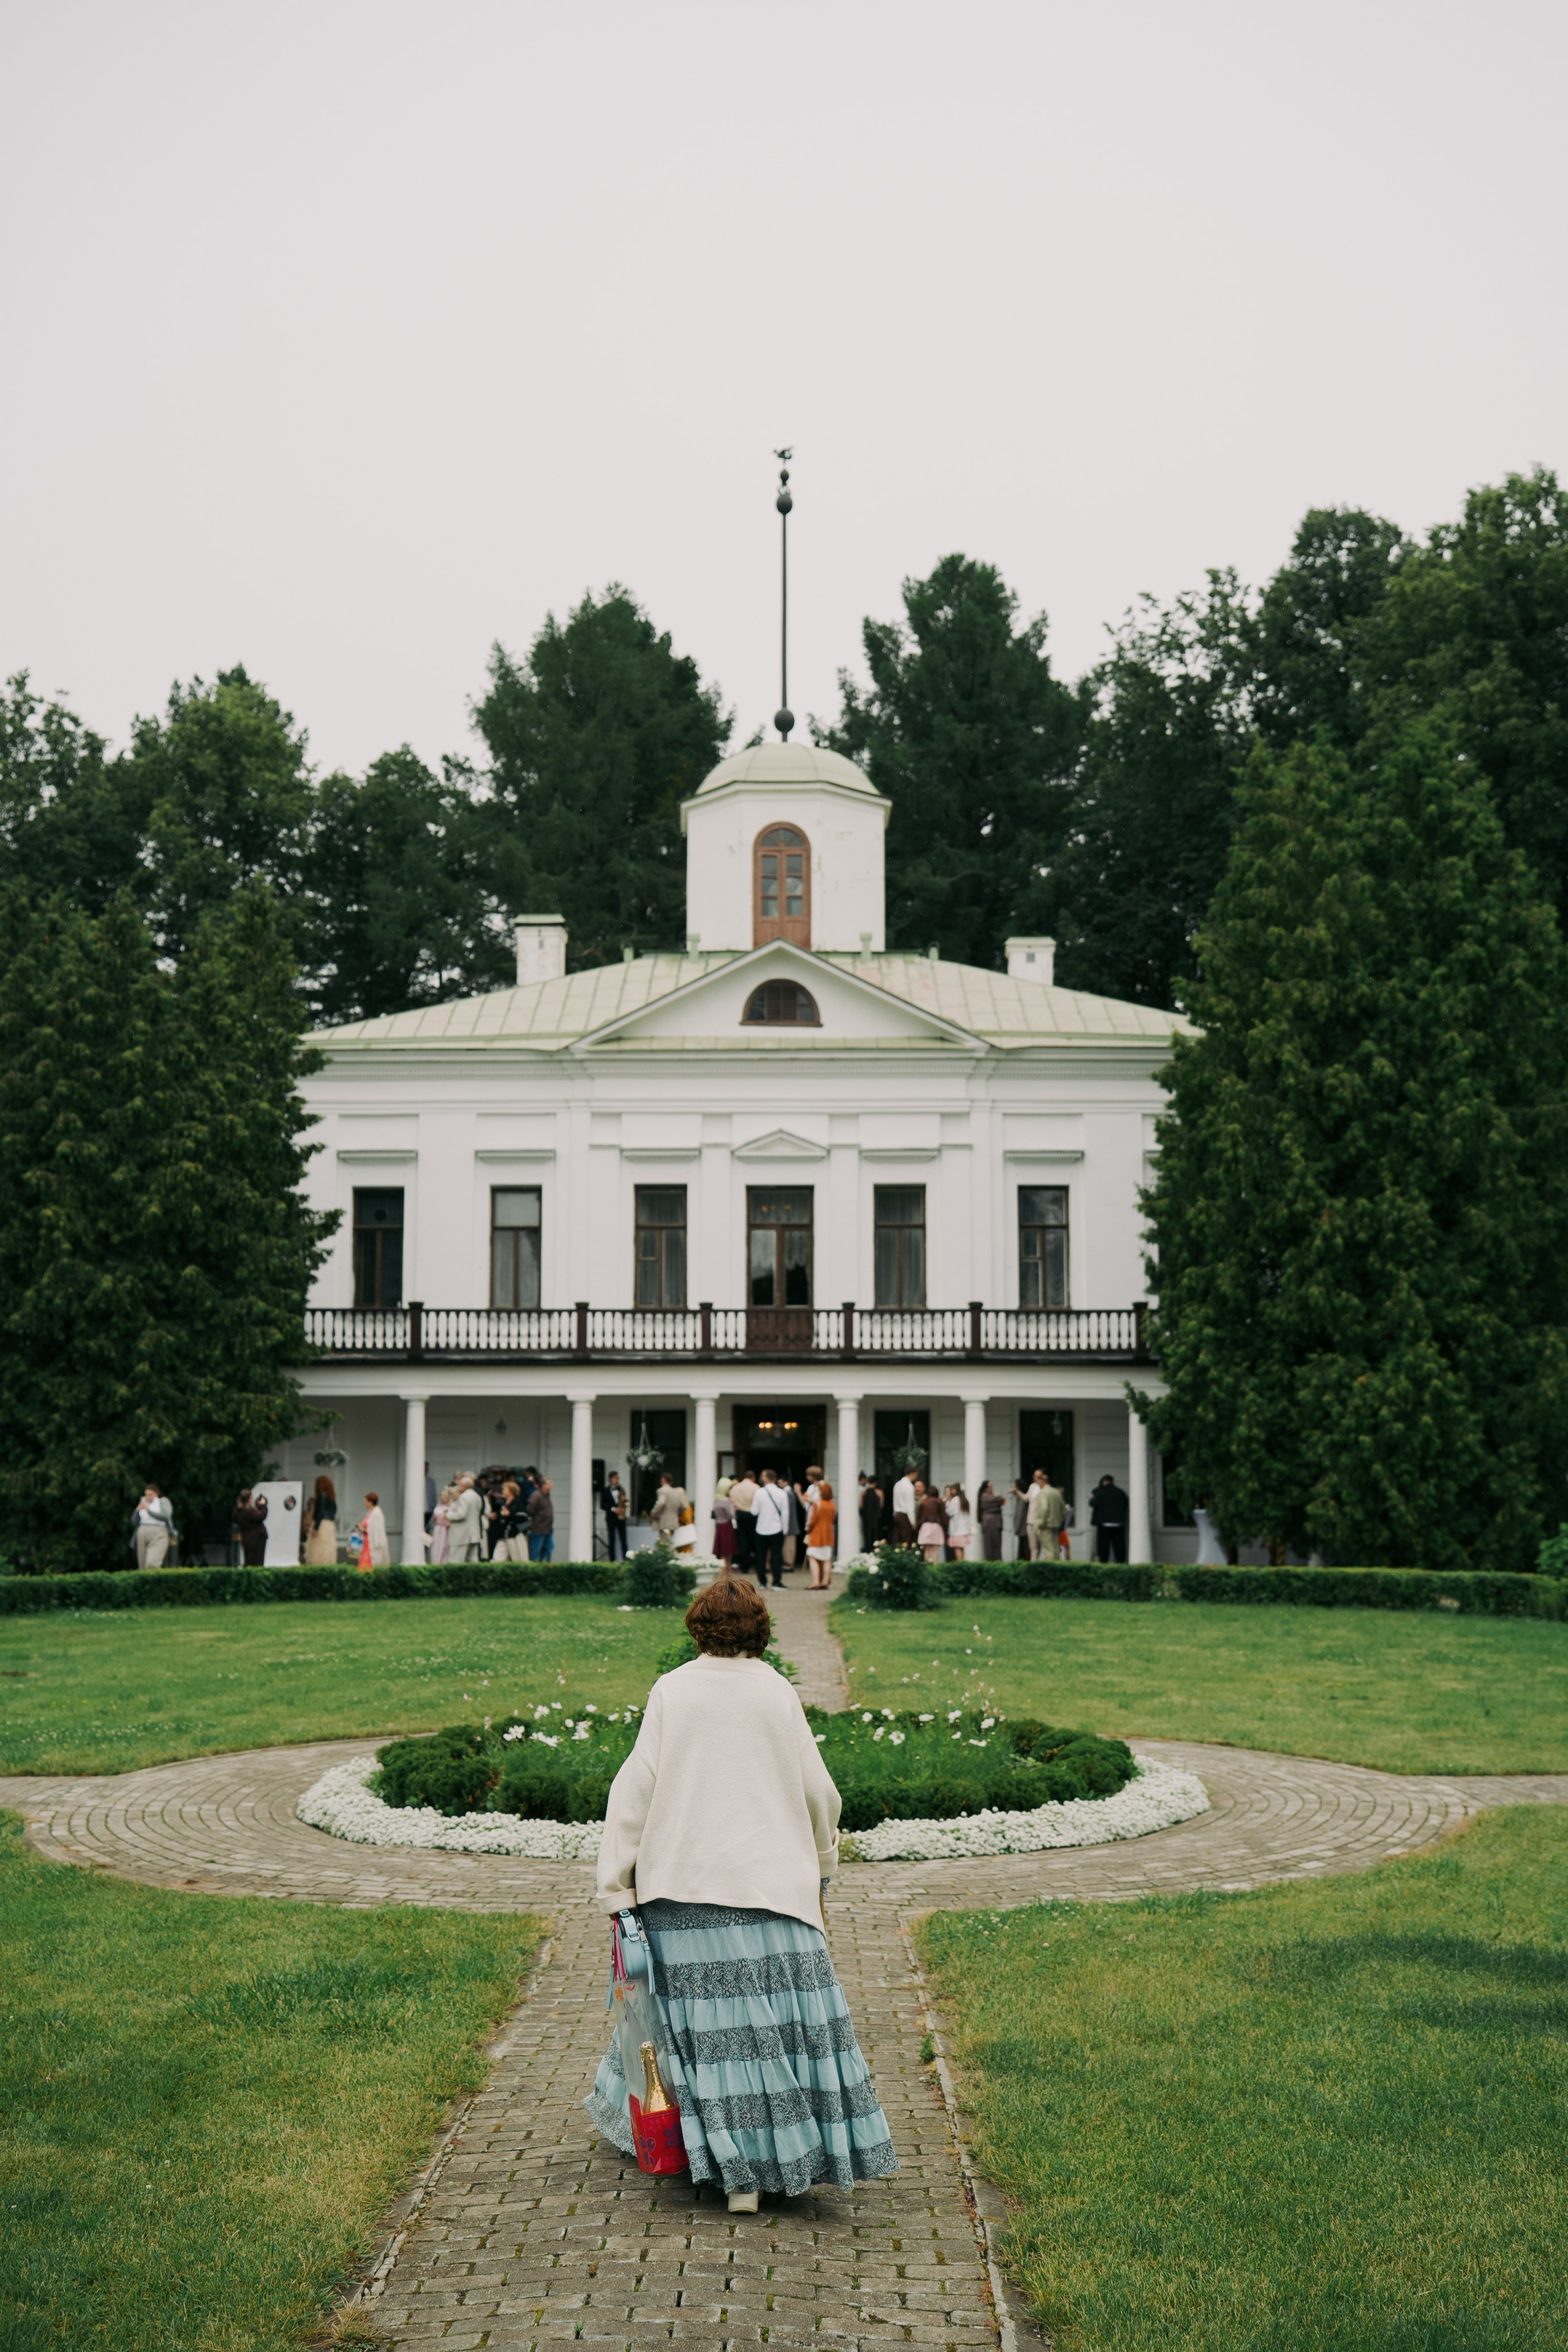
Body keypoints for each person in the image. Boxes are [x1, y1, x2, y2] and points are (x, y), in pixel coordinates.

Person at [587, 1572, 897, 2211]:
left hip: (682, 1890)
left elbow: (634, 1791)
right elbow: (819, 1792)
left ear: (697, 1628)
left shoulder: (673, 1690)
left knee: (707, 2035)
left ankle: (731, 2173)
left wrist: (617, 1887)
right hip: (773, 1890)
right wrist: (821, 1864)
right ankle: (768, 2167)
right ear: (761, 1631)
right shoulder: (776, 1691)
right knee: (774, 2033)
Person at [752, 1469, 788, 1586]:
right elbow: (785, 1513)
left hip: (761, 1528)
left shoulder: (759, 1492)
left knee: (761, 1556)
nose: (761, 1478)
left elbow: (754, 1511)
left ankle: (762, 1582)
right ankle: (776, 1582)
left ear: (767, 1478)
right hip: (777, 1528)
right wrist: (785, 1529)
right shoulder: (782, 1493)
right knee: (776, 1556)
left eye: (763, 1476)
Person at [130, 1485, 175, 1570]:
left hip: (158, 1532)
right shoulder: (143, 1503)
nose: (148, 1497)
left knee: (152, 1564)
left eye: (150, 1495)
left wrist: (149, 1510)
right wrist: (137, 1510)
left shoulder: (162, 1501)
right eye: (146, 1495)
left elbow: (166, 1515)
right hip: (142, 1532)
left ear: (156, 1494)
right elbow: (133, 1522)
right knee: (142, 1565)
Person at [1090, 1472, 1130, 1563]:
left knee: (1104, 1546)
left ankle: (1104, 1563)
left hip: (1104, 1523)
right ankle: (1121, 1563)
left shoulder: (1099, 1492)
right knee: (1119, 1545)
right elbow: (1125, 1504)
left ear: (1104, 1481)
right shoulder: (1121, 1492)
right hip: (1119, 1523)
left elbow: (1093, 1504)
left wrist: (1092, 1498)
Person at [805, 1478, 835, 1588]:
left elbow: (812, 1521)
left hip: (817, 1534)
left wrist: (808, 1529)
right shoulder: (832, 1505)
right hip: (828, 1534)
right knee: (827, 1559)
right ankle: (825, 1582)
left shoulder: (818, 1504)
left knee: (812, 1556)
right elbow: (833, 1519)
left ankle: (816, 1582)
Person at [1030, 1471, 1066, 1561]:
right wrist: (1059, 1519)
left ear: (1042, 1482)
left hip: (1046, 1525)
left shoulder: (1043, 1493)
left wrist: (1040, 1522)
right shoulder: (1056, 1492)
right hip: (1055, 1524)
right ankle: (1056, 1565)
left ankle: (1050, 1567)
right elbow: (1064, 1509)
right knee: (1055, 1548)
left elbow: (1044, 1508)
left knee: (1048, 1549)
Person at [447, 1473, 484, 1562]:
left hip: (462, 1535)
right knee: (472, 1561)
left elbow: (461, 1514)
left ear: (464, 1486)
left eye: (460, 1485)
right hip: (473, 1533)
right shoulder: (477, 1496)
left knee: (456, 1560)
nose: (459, 1487)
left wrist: (447, 1515)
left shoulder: (463, 1497)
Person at [303, 1474, 338, 1566]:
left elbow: (321, 1513)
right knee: (327, 1547)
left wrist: (316, 1527)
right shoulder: (332, 1497)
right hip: (330, 1524)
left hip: (321, 1525)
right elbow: (335, 1511)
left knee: (318, 1548)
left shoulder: (322, 1496)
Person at [729, 1468, 758, 1575]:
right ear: (753, 1478)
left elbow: (732, 1502)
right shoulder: (756, 1487)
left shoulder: (736, 1488)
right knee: (754, 1540)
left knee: (742, 1540)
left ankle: (744, 1566)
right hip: (752, 1514)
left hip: (740, 1514)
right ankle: (756, 1564)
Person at [649, 1472, 688, 1542]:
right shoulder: (677, 1492)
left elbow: (661, 1503)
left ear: (663, 1480)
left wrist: (653, 1513)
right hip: (674, 1521)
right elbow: (684, 1506)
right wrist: (677, 1513)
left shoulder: (662, 1491)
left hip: (664, 1522)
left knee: (664, 1543)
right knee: (670, 1541)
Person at [235, 1488, 268, 1567]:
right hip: (255, 1540)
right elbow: (262, 1516)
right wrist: (263, 1505)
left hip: (250, 1539)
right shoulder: (246, 1511)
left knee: (251, 1561)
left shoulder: (242, 1510)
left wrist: (258, 1505)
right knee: (255, 1563)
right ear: (249, 1499)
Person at [914, 1483, 945, 1567]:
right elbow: (943, 1515)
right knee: (936, 1548)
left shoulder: (923, 1502)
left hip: (925, 1526)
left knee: (927, 1549)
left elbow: (918, 1516)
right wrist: (945, 1524)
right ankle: (935, 1566)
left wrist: (917, 1525)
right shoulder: (939, 1502)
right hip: (936, 1525)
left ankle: (927, 1565)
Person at [358, 1491, 390, 1569]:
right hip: (367, 1543)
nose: (365, 1504)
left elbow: (377, 1530)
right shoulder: (370, 1512)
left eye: (366, 1501)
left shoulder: (377, 1513)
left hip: (373, 1543)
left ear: (370, 1502)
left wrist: (365, 1530)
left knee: (370, 1563)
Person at [945, 1484, 976, 1561]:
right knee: (961, 1548)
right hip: (964, 1529)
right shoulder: (964, 1500)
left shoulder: (955, 1500)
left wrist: (948, 1502)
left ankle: (959, 1563)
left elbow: (950, 1512)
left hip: (956, 1529)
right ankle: (962, 1561)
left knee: (957, 1548)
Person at [528, 1477, 555, 1561]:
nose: (552, 1485)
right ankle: (535, 1567)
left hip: (548, 1529)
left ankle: (545, 1565)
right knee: (536, 1551)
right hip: (538, 1528)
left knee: (549, 1548)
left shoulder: (547, 1496)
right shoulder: (536, 1496)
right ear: (543, 1485)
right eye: (549, 1484)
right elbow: (530, 1510)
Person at [604, 1471, 629, 1560]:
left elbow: (626, 1503)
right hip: (611, 1518)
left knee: (623, 1540)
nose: (617, 1480)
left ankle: (625, 1559)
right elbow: (603, 1505)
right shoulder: (606, 1490)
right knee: (612, 1540)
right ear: (610, 1479)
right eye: (615, 1478)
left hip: (621, 1518)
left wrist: (625, 1500)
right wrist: (614, 1509)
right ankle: (612, 1560)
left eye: (618, 1478)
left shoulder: (621, 1489)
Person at [977, 1480, 1004, 1561]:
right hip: (991, 1522)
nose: (992, 1488)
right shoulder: (986, 1496)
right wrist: (997, 1495)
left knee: (996, 1544)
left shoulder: (987, 1496)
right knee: (991, 1544)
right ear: (986, 1488)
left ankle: (996, 1561)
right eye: (990, 1487)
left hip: (994, 1521)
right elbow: (1000, 1500)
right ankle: (992, 1562)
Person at [429, 1484, 455, 1564]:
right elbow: (434, 1519)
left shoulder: (452, 1506)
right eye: (441, 1495)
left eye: (443, 1495)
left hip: (446, 1529)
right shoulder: (438, 1506)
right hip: (438, 1529)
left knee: (445, 1547)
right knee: (436, 1547)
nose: (442, 1497)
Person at [891, 1466, 917, 1545]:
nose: (916, 1477)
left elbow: (895, 1501)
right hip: (905, 1516)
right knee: (906, 1539)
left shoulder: (897, 1484)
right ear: (912, 1474)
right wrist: (913, 1522)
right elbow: (910, 1505)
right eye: (916, 1475)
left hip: (897, 1514)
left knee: (897, 1539)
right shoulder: (909, 1487)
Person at [858, 1472, 884, 1553]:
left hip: (867, 1517)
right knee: (876, 1535)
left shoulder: (863, 1493)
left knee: (868, 1535)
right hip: (877, 1517)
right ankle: (876, 1551)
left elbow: (861, 1506)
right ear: (876, 1483)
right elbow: (882, 1505)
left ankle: (868, 1551)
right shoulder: (880, 1492)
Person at [712, 1482, 736, 1564]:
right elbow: (731, 1515)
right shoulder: (726, 1501)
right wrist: (733, 1505)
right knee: (728, 1551)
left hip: (719, 1526)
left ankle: (725, 1569)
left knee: (723, 1549)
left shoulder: (716, 1500)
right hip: (726, 1525)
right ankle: (727, 1569)